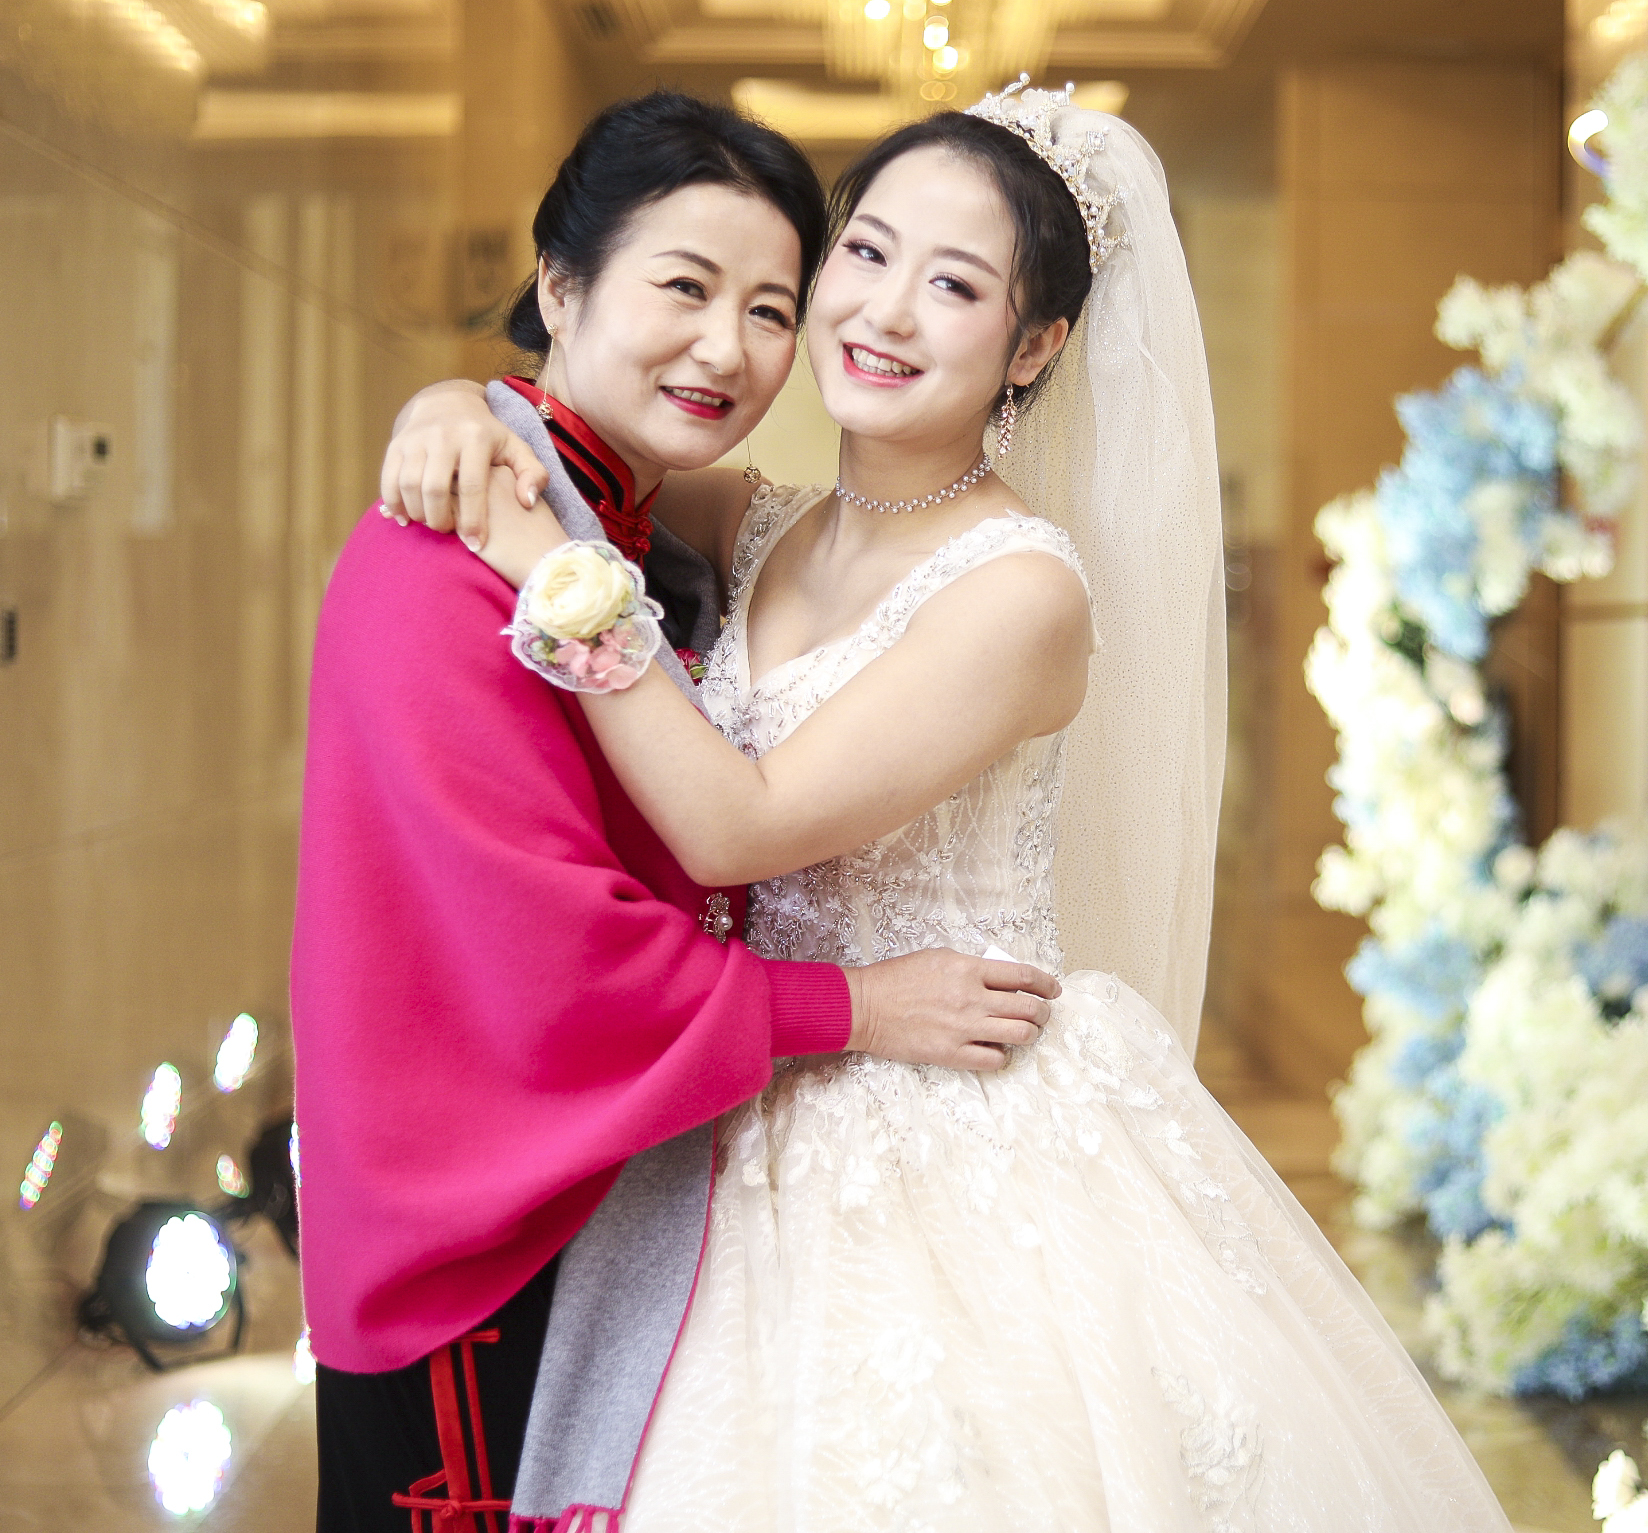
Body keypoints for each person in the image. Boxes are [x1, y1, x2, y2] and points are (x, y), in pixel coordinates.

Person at [386, 84, 1514, 1531]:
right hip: (747, 1098)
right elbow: (576, 443)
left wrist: (559, 580)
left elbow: (737, 825)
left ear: (1033, 346)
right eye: (865, 253)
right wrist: (454, 407)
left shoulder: (1019, 592)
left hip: (952, 1119)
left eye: (956, 285)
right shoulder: (759, 522)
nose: (886, 310)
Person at [293, 91, 1060, 1533]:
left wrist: (464, 403)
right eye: (686, 288)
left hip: (661, 1185)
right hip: (477, 1243)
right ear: (561, 285)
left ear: (1034, 346)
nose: (726, 348)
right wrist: (854, 1005)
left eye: (768, 307)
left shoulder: (640, 527)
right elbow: (552, 958)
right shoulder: (452, 559)